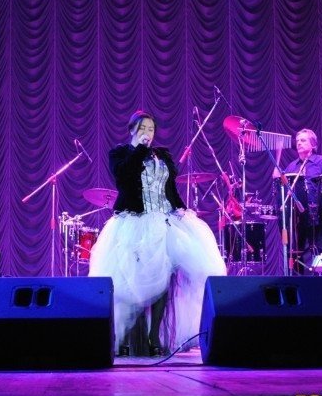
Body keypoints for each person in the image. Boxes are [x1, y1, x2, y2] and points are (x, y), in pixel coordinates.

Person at [89, 110, 227, 357]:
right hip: (134, 221)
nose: (148, 133)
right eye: (143, 128)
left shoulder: (161, 155)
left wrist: (181, 209)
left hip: (164, 221)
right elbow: (123, 177)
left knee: (164, 277)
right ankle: (127, 337)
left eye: (151, 129)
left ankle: (154, 337)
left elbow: (169, 188)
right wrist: (140, 150)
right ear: (132, 130)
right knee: (132, 279)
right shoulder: (120, 153)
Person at [272, 128, 322, 273]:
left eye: (303, 140)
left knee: (320, 250)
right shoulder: (292, 166)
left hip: (318, 215)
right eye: (297, 140)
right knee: (296, 252)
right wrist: (277, 176)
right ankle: (297, 280)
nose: (299, 143)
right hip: (297, 217)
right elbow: (282, 187)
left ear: (313, 144)